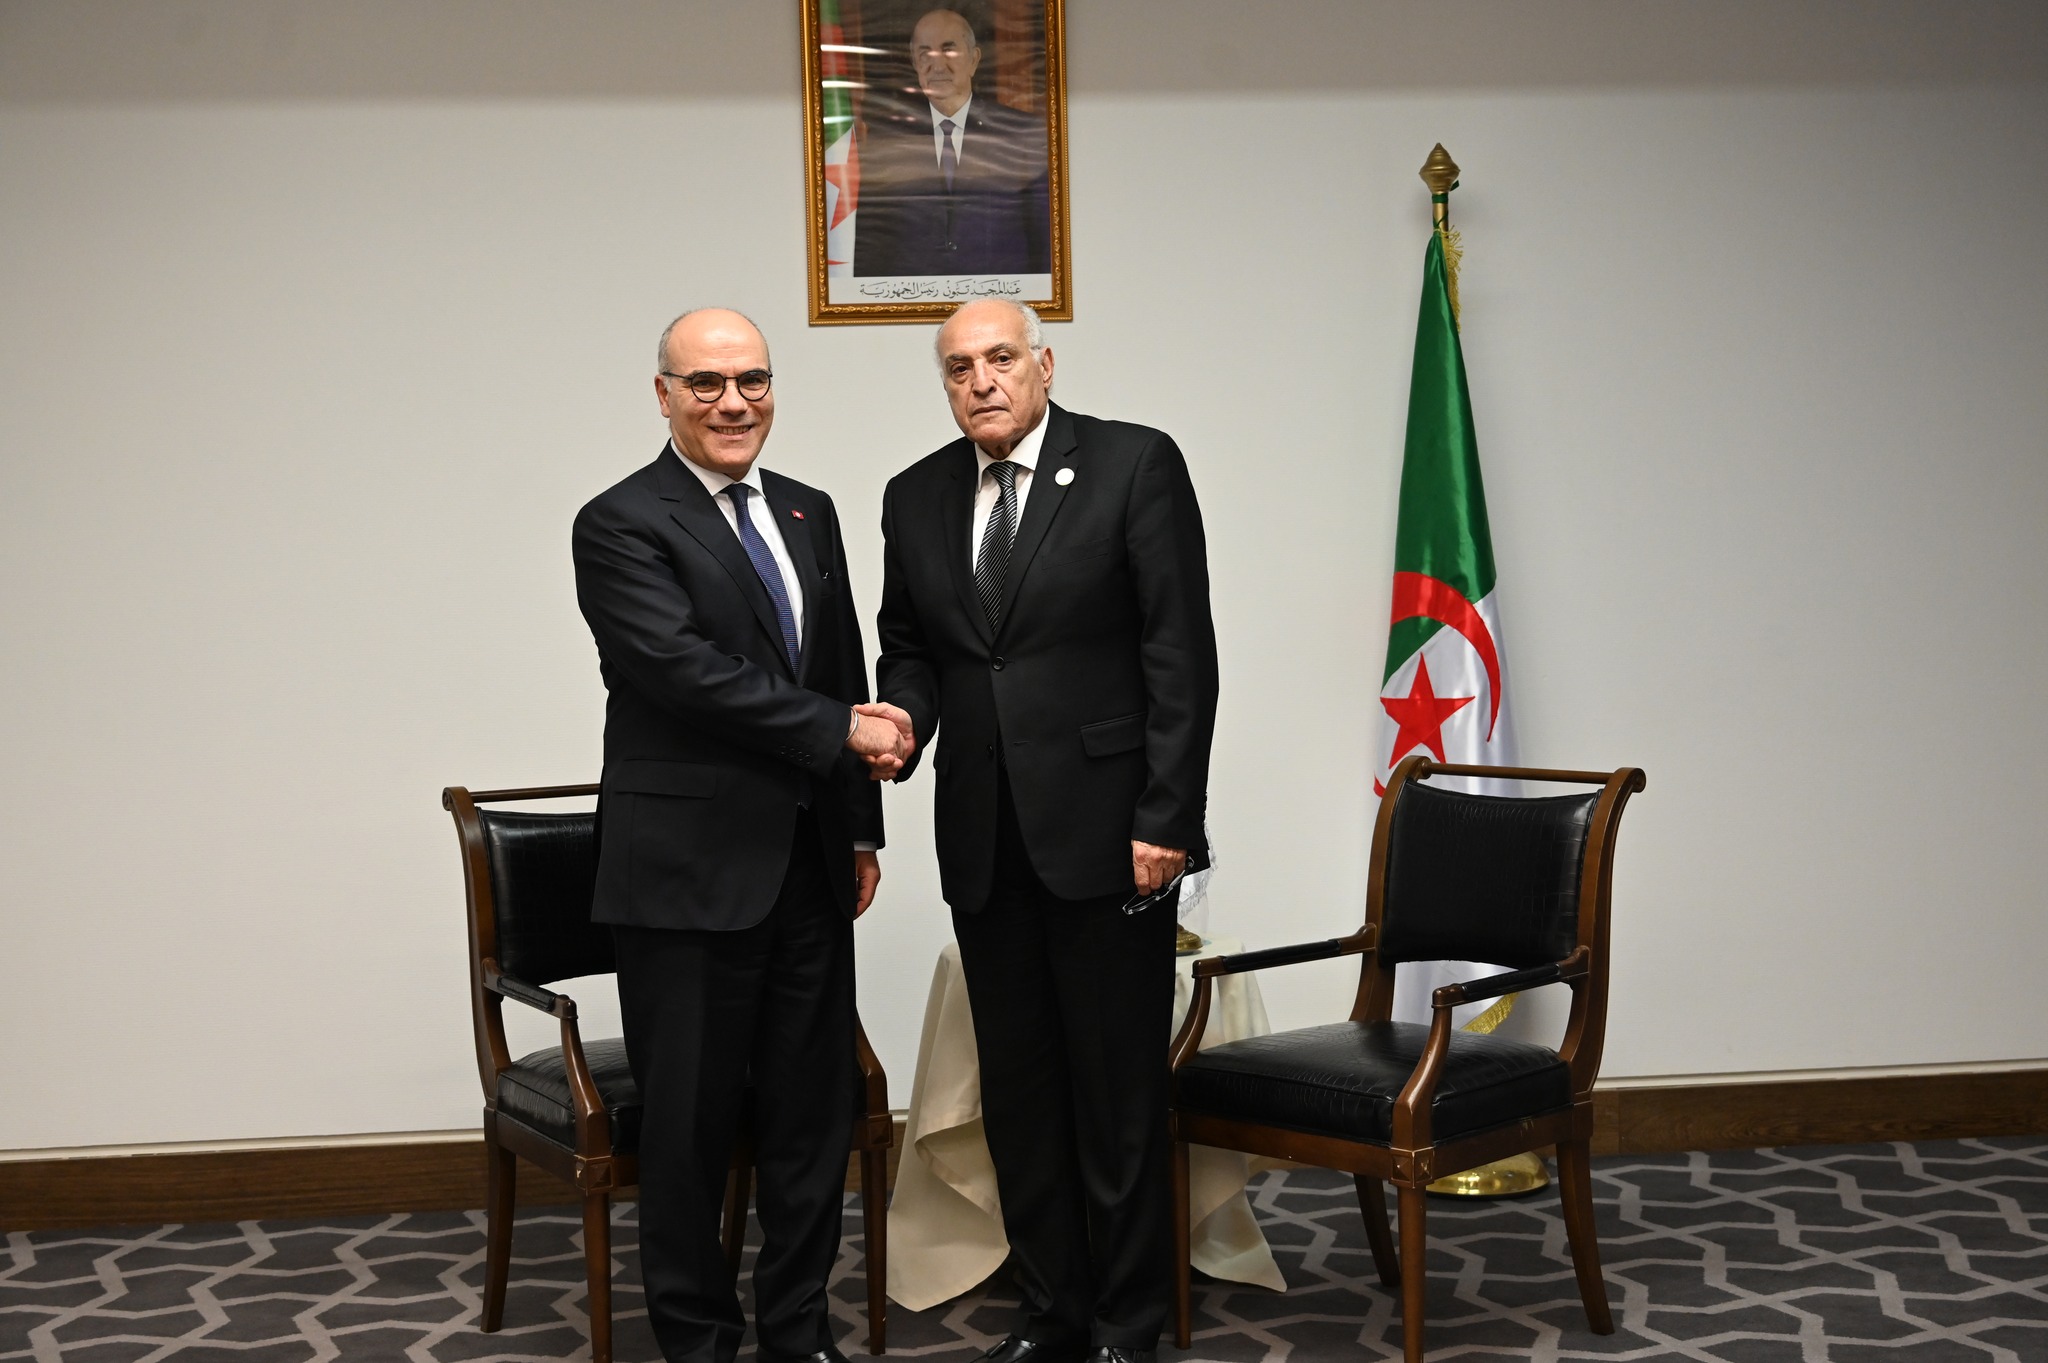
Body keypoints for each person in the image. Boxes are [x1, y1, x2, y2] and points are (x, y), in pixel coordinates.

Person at [867, 298, 1218, 1363]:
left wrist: (1168, 814)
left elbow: (1179, 652)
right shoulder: (914, 494)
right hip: (984, 840)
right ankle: (1051, 1315)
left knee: (1115, 1093)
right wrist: (903, 719)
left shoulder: (1133, 465)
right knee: (1019, 1097)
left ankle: (1126, 1321)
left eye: (1000, 358)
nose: (981, 381)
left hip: (1112, 837)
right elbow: (910, 647)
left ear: (1044, 363)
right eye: (958, 367)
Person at [572, 308, 911, 1363]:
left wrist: (860, 829)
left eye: (751, 380)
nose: (733, 403)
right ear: (663, 395)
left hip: (809, 867)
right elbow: (684, 674)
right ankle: (699, 1342)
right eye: (706, 383)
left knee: (811, 1120)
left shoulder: (807, 510)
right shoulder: (619, 522)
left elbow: (837, 665)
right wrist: (841, 729)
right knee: (688, 1127)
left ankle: (798, 1332)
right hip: (685, 877)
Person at [852, 8, 1051, 279]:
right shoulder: (889, 141)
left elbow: (1046, 243)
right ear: (914, 63)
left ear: (974, 60)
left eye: (949, 50)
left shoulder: (1020, 133)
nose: (937, 65)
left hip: (997, 297)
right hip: (914, 298)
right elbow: (871, 247)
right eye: (925, 53)